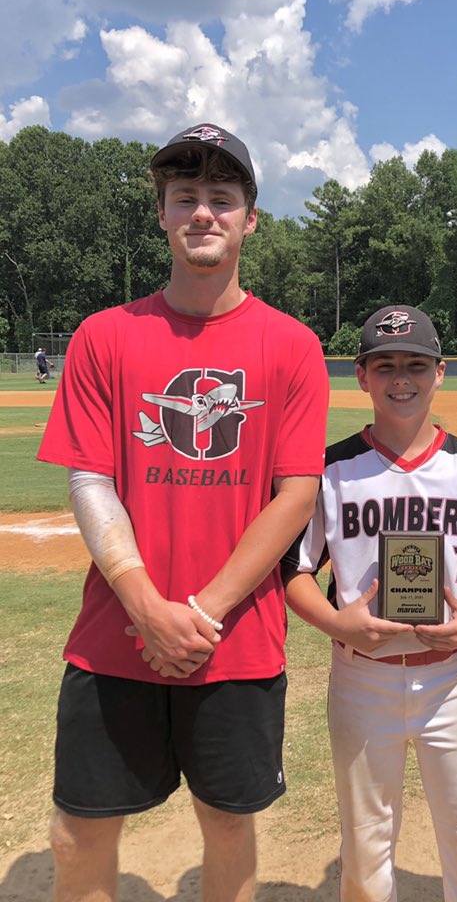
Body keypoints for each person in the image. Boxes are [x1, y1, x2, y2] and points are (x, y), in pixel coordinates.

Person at [37, 122, 329, 902]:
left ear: (250, 219)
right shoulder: (105, 336)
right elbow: (90, 480)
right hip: (115, 635)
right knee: (77, 833)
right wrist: (146, 606)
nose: (205, 213)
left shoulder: (291, 344)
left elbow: (295, 492)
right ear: (163, 214)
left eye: (222, 199)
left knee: (228, 826)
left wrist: (199, 612)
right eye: (186, 197)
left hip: (235, 640)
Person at [282, 304, 457, 902]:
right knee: (364, 848)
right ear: (361, 376)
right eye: (385, 366)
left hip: (454, 682)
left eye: (415, 364)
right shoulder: (330, 470)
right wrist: (337, 622)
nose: (400, 379)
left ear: (440, 372)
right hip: (362, 680)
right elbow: (292, 571)